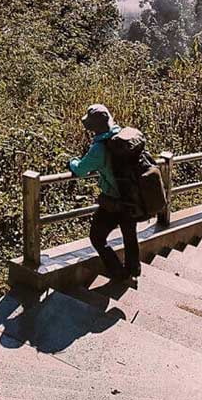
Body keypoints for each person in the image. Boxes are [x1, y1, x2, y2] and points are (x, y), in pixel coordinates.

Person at [68, 103, 141, 282]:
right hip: (132, 197)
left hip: (113, 201)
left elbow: (80, 170)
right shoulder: (124, 136)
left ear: (95, 126)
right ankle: (134, 270)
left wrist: (72, 161)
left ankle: (118, 272)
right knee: (129, 235)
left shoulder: (99, 149)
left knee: (97, 237)